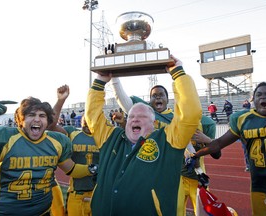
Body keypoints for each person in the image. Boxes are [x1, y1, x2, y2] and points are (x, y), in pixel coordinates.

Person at [85, 55, 202, 215]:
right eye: (131, 116)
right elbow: (92, 118)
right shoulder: (111, 138)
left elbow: (191, 114)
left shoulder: (167, 141)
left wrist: (178, 73)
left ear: (153, 124)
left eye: (142, 117)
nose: (135, 119)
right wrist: (100, 81)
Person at [0, 96, 96, 215]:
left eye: (42, 115)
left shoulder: (56, 141)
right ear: (21, 119)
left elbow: (72, 169)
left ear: (48, 121)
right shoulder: (2, 137)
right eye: (31, 115)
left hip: (43, 212)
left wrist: (92, 169)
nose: (37, 119)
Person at [193, 82, 266, 216]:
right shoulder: (243, 119)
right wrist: (196, 154)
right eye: (259, 95)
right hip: (261, 186)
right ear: (253, 99)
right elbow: (219, 143)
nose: (263, 98)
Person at [49, 84, 99, 216]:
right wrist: (61, 100)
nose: (88, 120)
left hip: (98, 192)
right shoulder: (72, 133)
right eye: (86, 116)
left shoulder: (104, 136)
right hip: (76, 193)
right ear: (82, 118)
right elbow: (51, 124)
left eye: (91, 116)